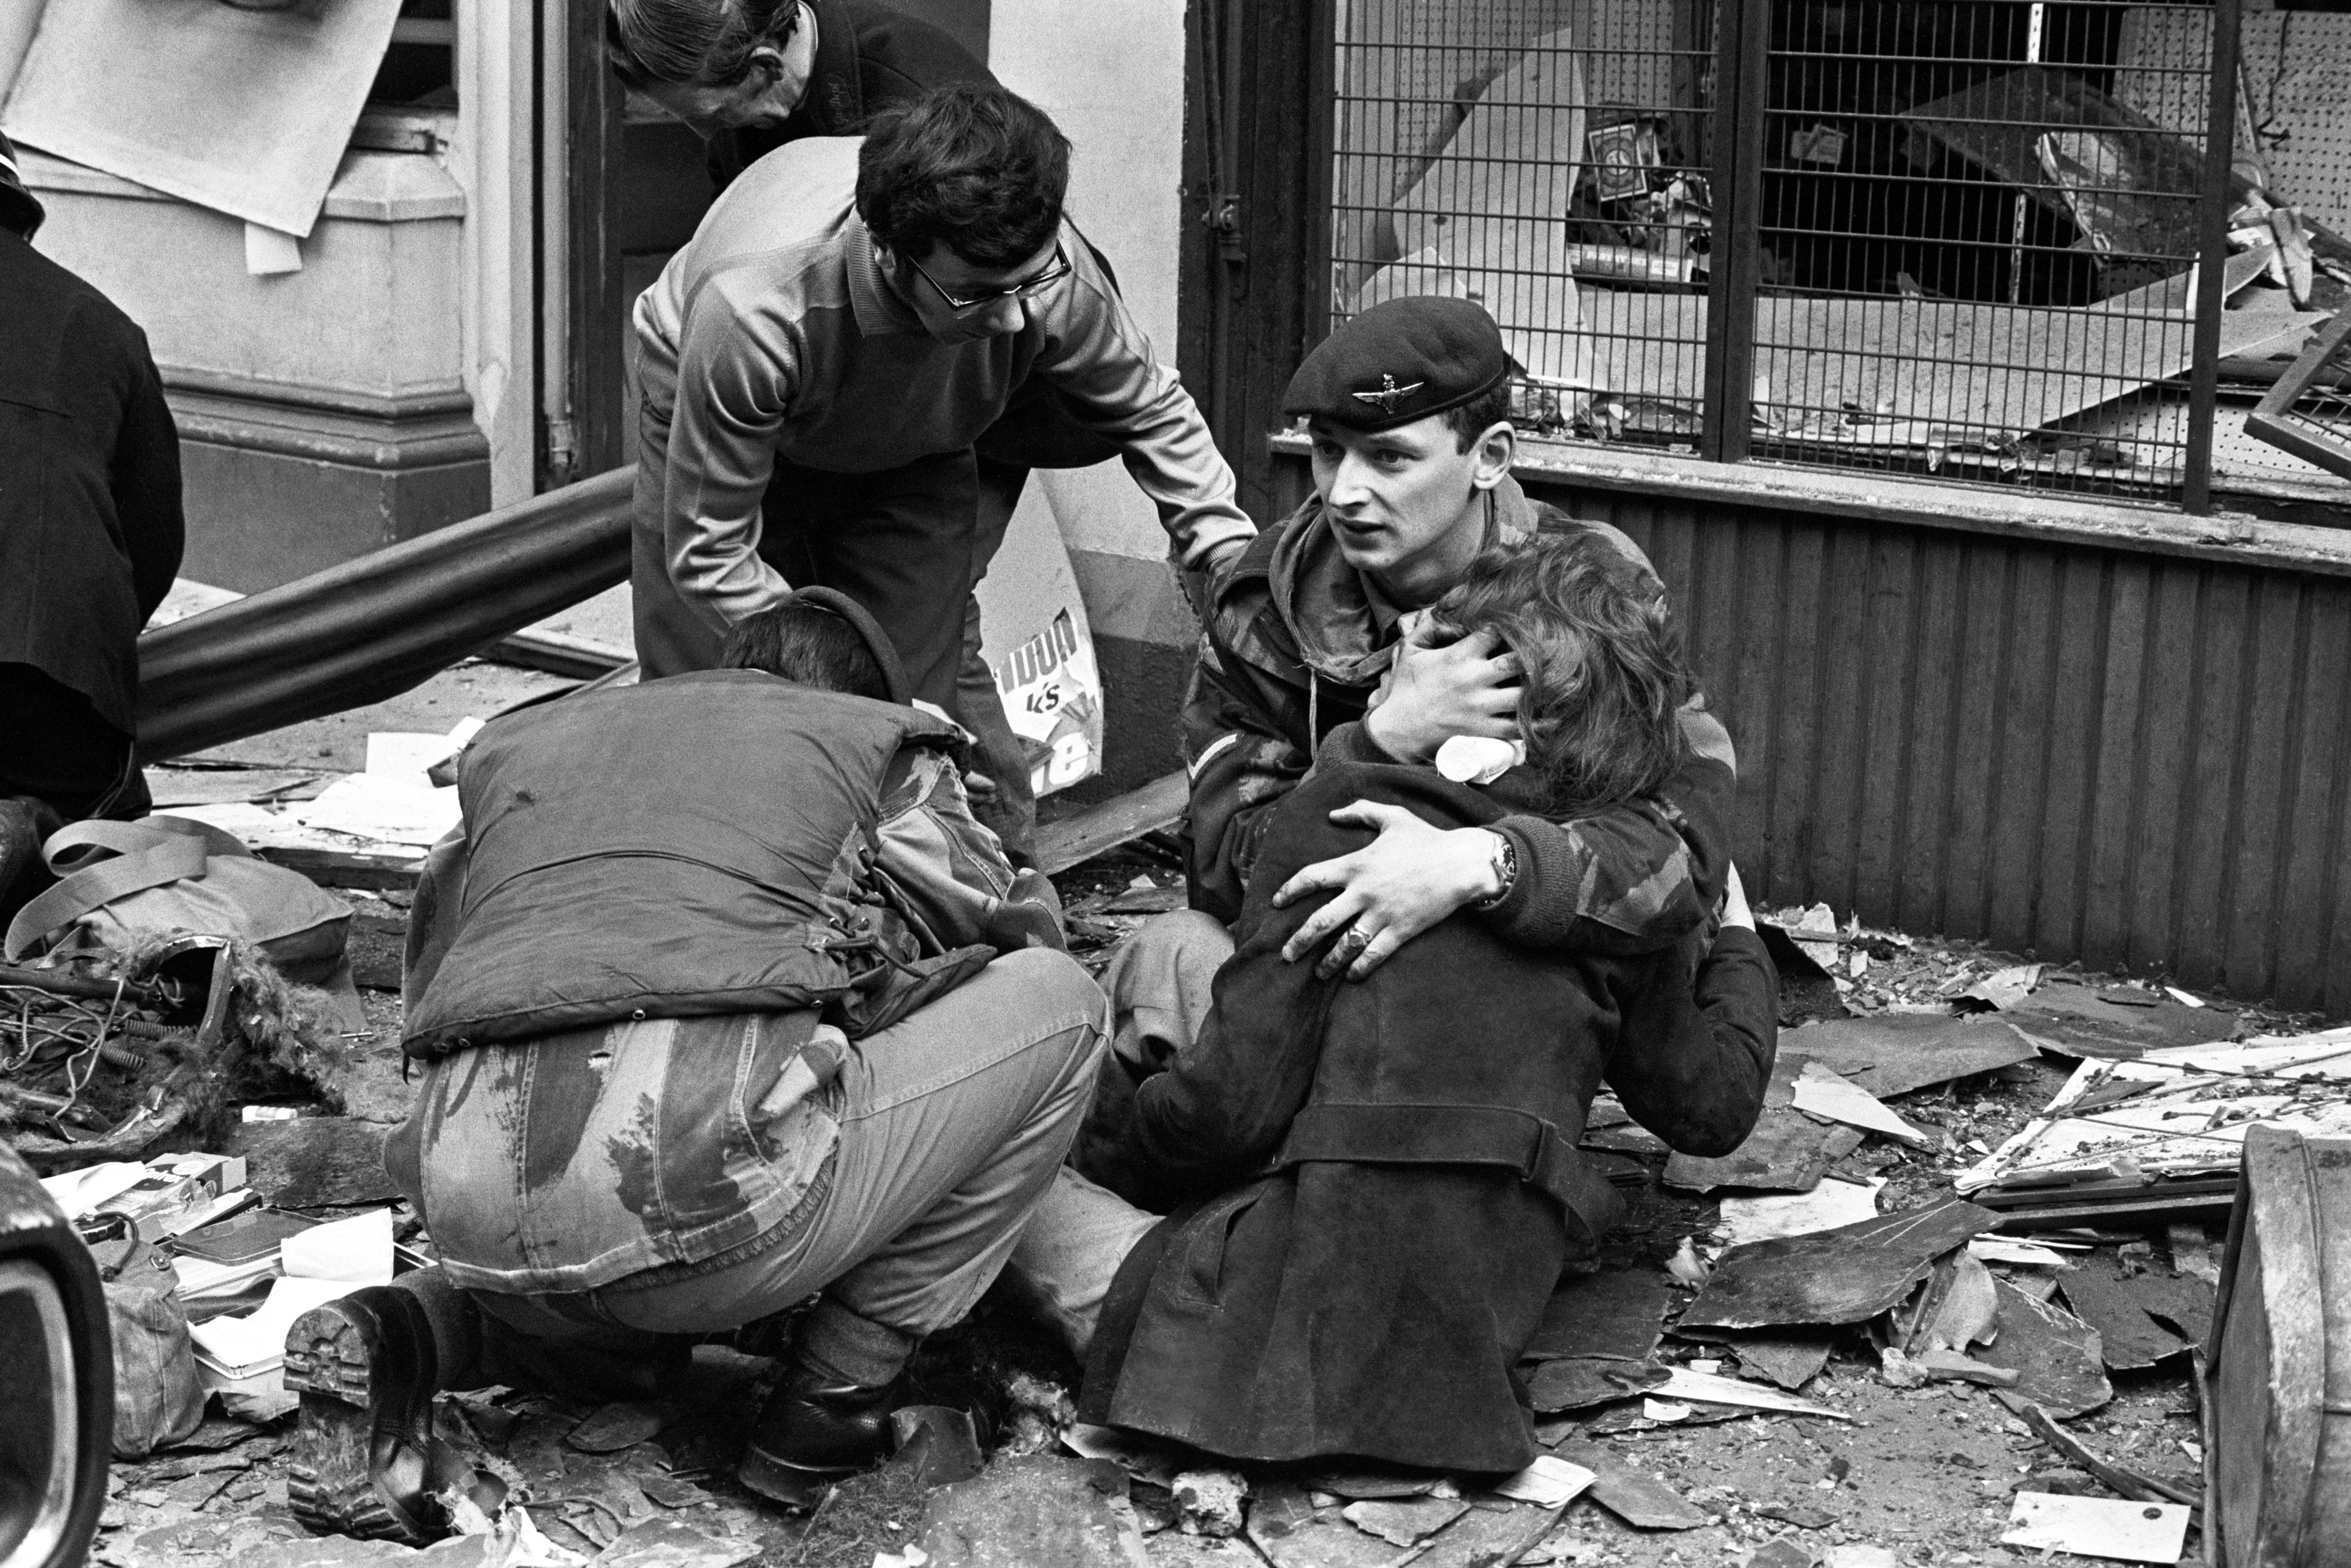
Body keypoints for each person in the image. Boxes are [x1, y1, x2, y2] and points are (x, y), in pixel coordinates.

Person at [283, 596, 1108, 1539]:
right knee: (1061, 1003)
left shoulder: (539, 757)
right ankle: (828, 1416)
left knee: (609, 1303)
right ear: (860, 705)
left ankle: (400, 1329)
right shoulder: (869, 751)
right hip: (698, 1211)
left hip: (466, 1204)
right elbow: (999, 936)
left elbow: (431, 999)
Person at [1008, 533, 1778, 1472]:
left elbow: (1223, 1115)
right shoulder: (1614, 894)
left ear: (1465, 695)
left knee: (987, 1158)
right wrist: (1734, 934)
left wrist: (1107, 1142)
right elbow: (1715, 1105)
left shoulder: (1350, 823)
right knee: (1182, 962)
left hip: (1247, 1358)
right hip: (1458, 1380)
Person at [629, 81, 1250, 865]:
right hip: (736, 418)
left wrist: (1229, 560)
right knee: (711, 700)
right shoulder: (756, 312)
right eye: (981, 295)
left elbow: (1151, 409)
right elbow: (709, 555)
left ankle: (955, 909)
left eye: (1034, 281)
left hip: (918, 449)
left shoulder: (1042, 274)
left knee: (924, 700)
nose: (1022, 319)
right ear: (889, 250)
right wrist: (854, 696)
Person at [1181, 294, 1735, 960]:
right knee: (1181, 951)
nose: (1344, 492)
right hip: (1331, 966)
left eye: (1388, 458)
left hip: (1537, 971)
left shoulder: (1587, 589)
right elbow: (1219, 876)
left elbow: (1682, 848)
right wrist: (1377, 744)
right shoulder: (1263, 606)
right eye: (1329, 451)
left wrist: (1482, 863)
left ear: (1489, 456)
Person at [0, 129, 185, 920]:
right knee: (81, 800)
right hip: (54, 688)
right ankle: (29, 819)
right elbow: (152, 542)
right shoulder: (102, 325)